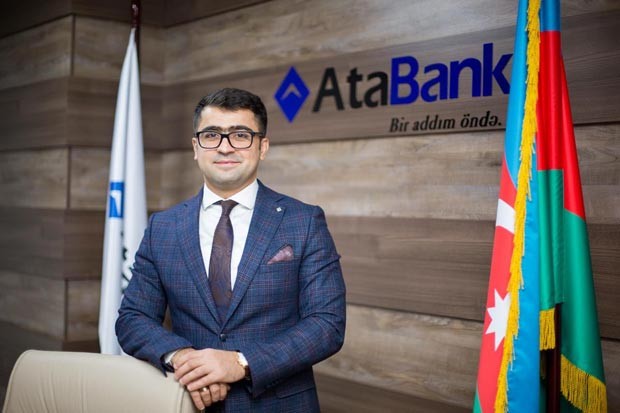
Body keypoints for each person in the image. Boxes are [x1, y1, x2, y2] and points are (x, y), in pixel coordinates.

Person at [116, 87, 346, 412]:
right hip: (189, 402)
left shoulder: (304, 221)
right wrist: (185, 360)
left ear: (262, 147)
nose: (225, 147)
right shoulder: (162, 227)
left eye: (240, 135)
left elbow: (327, 324)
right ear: (195, 147)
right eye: (211, 135)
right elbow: (133, 317)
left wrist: (241, 362)